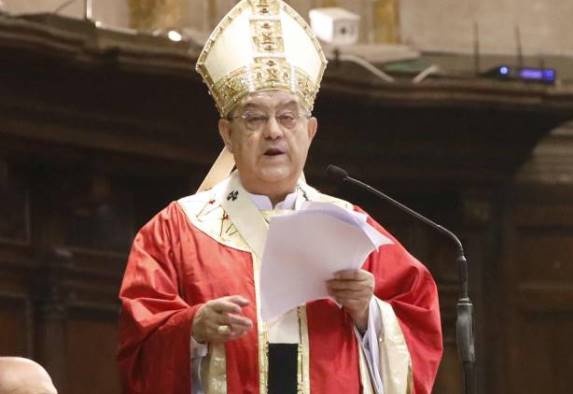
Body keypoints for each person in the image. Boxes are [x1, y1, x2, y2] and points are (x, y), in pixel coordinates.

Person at [117, 1, 442, 393]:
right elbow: (138, 346)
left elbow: (419, 326)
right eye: (254, 118)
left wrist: (367, 313)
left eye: (288, 117)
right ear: (227, 134)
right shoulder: (173, 233)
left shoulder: (351, 229)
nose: (273, 131)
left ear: (310, 131)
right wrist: (192, 330)